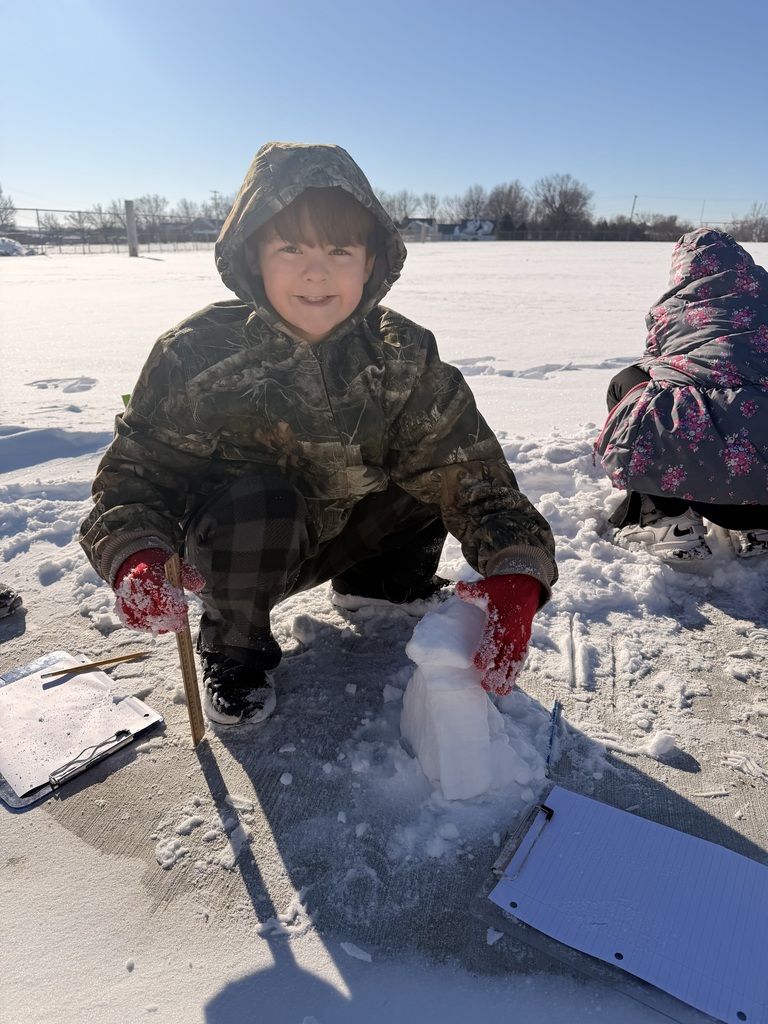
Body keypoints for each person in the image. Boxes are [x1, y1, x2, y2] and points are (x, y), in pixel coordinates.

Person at [79, 142, 557, 725]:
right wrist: (135, 554)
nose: (316, 272)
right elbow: (135, 477)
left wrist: (516, 568)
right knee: (261, 504)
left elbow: (471, 472)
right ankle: (233, 650)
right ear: (254, 256)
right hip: (245, 552)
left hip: (352, 526)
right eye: (291, 248)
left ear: (370, 262)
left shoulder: (403, 353)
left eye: (339, 250)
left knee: (431, 472)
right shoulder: (196, 354)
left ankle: (378, 584)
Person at [596, 228, 768, 563]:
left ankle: (668, 519)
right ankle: (757, 528)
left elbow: (657, 366)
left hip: (709, 493)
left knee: (630, 384)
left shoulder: (671, 308)